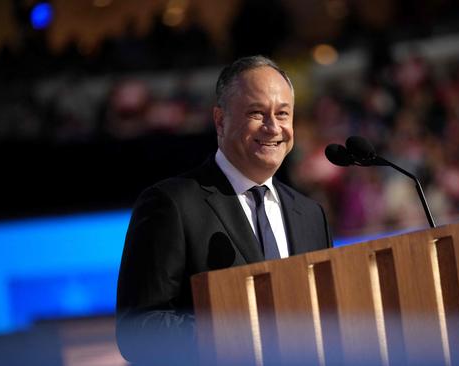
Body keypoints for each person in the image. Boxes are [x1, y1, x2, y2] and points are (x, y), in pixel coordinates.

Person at [116, 55, 333, 365]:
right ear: (220, 120)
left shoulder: (311, 214)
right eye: (257, 113)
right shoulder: (171, 204)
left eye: (283, 114)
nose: (274, 128)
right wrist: (234, 333)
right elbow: (137, 331)